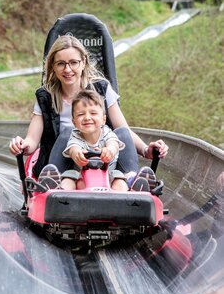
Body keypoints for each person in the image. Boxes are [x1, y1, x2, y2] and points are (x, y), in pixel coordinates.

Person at [9, 34, 169, 190]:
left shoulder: (101, 88)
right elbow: (32, 140)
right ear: (53, 66)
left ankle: (132, 181)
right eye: (61, 64)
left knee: (121, 132)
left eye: (73, 62)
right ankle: (54, 182)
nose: (68, 69)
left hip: (103, 158)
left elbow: (123, 130)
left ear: (83, 62)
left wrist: (146, 150)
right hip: (63, 162)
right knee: (68, 133)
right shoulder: (45, 96)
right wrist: (21, 145)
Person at [60, 90, 129, 191]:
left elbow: (113, 142)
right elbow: (73, 148)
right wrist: (77, 153)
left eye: (93, 113)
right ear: (74, 122)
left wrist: (110, 149)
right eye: (80, 114)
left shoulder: (106, 132)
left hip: (108, 176)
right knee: (68, 179)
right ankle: (60, 194)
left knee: (120, 181)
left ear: (103, 120)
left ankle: (127, 196)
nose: (87, 118)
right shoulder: (75, 135)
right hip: (81, 177)